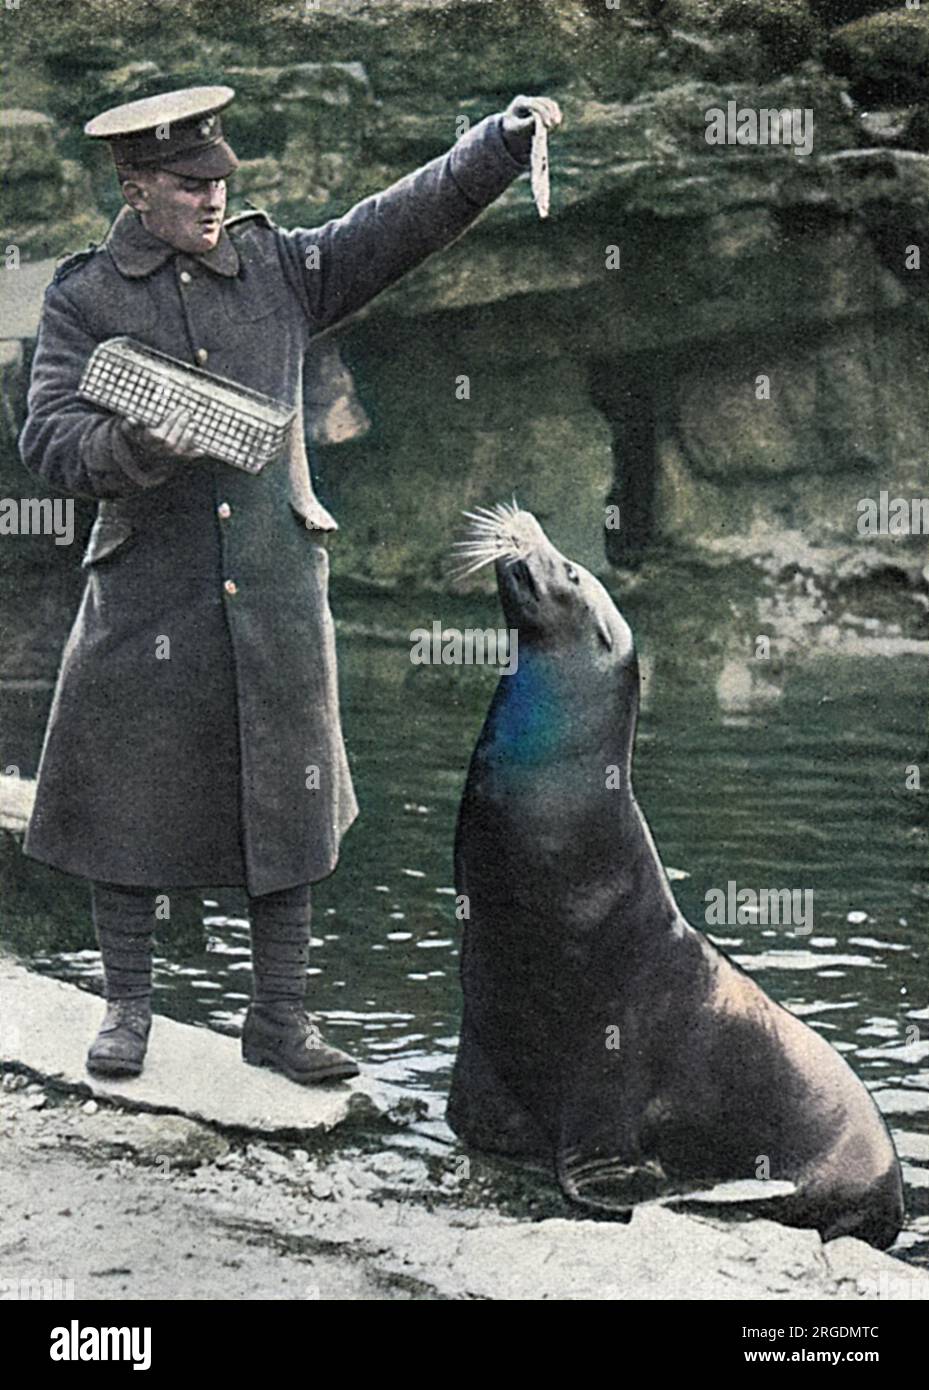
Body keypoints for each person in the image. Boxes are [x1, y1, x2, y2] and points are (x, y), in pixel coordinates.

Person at [19, 84, 561, 1085]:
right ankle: (126, 1011)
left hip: (272, 582)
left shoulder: (278, 264)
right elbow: (47, 436)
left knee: (289, 800)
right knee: (124, 799)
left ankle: (277, 1020)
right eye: (187, 186)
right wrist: (138, 442)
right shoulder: (85, 295)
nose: (212, 199)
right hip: (147, 586)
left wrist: (494, 144)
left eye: (219, 180)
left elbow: (398, 222)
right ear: (137, 189)